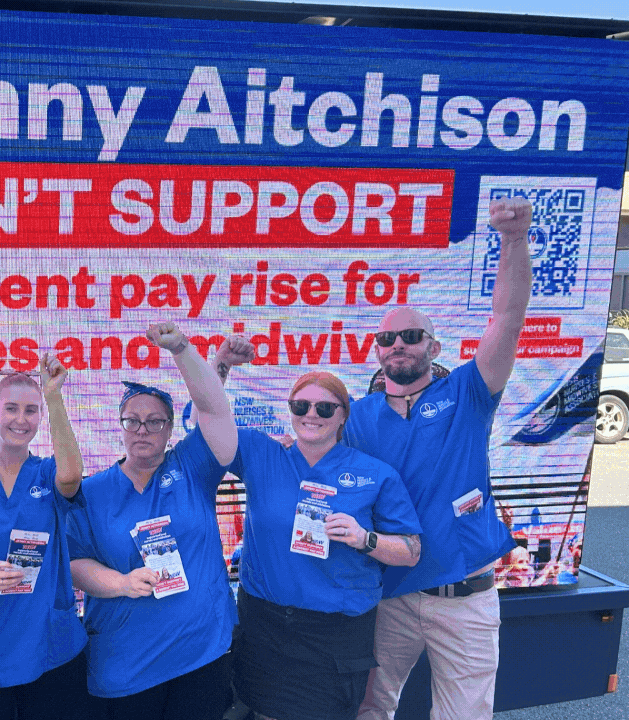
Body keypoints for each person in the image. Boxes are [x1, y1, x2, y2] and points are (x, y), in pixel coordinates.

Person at [350, 197, 535, 720]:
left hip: (467, 598)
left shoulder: (467, 394)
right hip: (391, 596)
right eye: (387, 338)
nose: (398, 345)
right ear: (377, 350)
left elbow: (508, 315)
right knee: (370, 709)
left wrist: (513, 241)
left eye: (411, 336)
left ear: (432, 345)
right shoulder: (357, 416)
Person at [197, 351, 422, 720]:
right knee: (263, 711)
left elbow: (411, 551)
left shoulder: (374, 473)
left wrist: (365, 538)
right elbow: (208, 423)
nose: (311, 415)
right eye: (301, 405)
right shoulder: (262, 453)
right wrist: (221, 362)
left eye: (325, 408)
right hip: (266, 624)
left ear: (343, 416)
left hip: (335, 632)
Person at [66, 323, 247, 719]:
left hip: (200, 653)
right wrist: (121, 583)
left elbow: (214, 408)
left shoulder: (193, 467)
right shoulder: (93, 491)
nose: (143, 429)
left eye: (155, 421)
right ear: (121, 426)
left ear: (170, 429)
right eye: (133, 420)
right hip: (125, 662)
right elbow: (76, 563)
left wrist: (183, 349)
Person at [0, 358, 91, 720]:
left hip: (48, 643)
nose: (20, 419)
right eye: (11, 408)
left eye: (32, 410)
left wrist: (53, 396)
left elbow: (73, 475)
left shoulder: (47, 473)